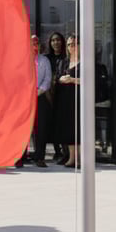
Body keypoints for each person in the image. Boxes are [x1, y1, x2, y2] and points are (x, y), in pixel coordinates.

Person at [55, 35, 82, 167]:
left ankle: (80, 158)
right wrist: (61, 79)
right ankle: (72, 158)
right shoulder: (63, 62)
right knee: (69, 129)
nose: (72, 47)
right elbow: (57, 78)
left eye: (75, 44)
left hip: (80, 99)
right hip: (65, 99)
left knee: (79, 128)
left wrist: (72, 80)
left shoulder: (85, 62)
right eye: (70, 44)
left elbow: (89, 80)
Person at [45, 32, 68, 164]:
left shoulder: (67, 57)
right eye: (53, 40)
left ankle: (65, 152)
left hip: (62, 93)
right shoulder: (46, 58)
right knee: (52, 123)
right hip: (48, 93)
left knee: (62, 123)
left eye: (58, 40)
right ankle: (57, 151)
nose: (55, 42)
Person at [31, 35, 53, 168]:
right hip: (24, 100)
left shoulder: (44, 60)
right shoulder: (21, 59)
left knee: (41, 129)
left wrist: (38, 91)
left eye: (36, 43)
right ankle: (21, 157)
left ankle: (40, 157)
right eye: (31, 43)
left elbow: (48, 79)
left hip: (40, 97)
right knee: (24, 129)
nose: (34, 46)